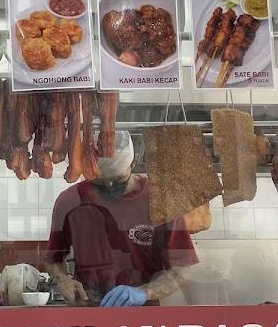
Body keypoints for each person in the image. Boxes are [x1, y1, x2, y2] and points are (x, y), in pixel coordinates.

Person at [44, 131, 198, 307]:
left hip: (143, 312)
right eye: (99, 183)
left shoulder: (162, 201)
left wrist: (144, 292)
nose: (109, 188)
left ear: (135, 160)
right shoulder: (70, 202)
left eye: (118, 181)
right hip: (88, 309)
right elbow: (53, 259)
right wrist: (63, 280)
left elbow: (181, 271)